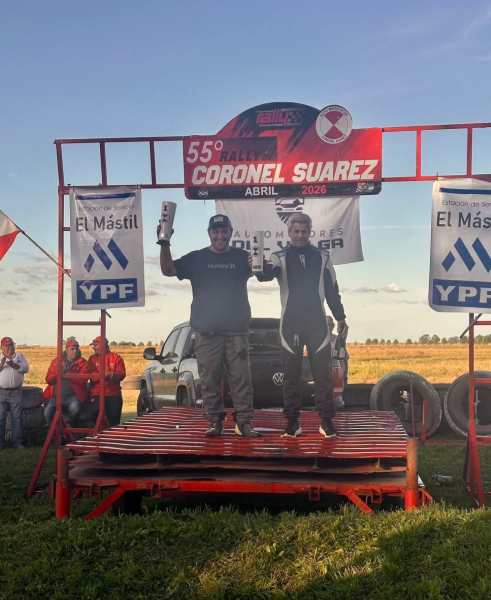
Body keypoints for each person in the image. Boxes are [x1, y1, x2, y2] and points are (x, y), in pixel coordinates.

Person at [159, 214, 260, 438]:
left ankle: (244, 423)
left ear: (230, 233)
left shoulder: (243, 257)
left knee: (242, 380)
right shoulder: (196, 258)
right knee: (209, 380)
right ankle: (215, 422)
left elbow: (263, 274)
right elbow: (168, 270)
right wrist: (164, 242)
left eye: (224, 231)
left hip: (237, 332)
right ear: (209, 233)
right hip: (206, 332)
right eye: (216, 231)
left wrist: (258, 263)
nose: (220, 235)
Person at [257, 213, 348, 438]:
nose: (300, 235)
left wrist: (340, 317)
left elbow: (332, 290)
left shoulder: (323, 256)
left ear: (310, 232)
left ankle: (326, 422)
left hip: (317, 323)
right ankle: (292, 423)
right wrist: (259, 267)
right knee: (291, 375)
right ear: (289, 232)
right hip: (291, 325)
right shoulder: (279, 257)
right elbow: (266, 275)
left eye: (304, 231)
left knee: (322, 375)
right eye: (296, 231)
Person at [43, 338, 89, 427]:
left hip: (73, 396)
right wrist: (57, 373)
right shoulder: (57, 361)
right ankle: (57, 432)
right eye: (72, 349)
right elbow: (48, 380)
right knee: (47, 414)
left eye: (76, 349)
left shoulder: (83, 363)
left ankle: (72, 429)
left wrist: (68, 373)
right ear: (66, 350)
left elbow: (83, 381)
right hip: (56, 396)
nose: (75, 351)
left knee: (75, 410)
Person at [87, 336, 126, 428]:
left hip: (113, 393)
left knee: (114, 422)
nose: (94, 347)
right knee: (96, 421)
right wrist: (101, 375)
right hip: (97, 393)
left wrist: (113, 375)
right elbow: (90, 374)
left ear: (103, 345)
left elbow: (121, 374)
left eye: (96, 345)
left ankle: (112, 435)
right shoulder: (92, 359)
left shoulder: (116, 358)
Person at [0, 336, 29, 450]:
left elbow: (26, 369)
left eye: (11, 345)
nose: (10, 348)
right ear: (2, 348)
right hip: (1, 391)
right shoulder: (0, 358)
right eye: (7, 346)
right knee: (0, 417)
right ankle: (1, 443)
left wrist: (14, 365)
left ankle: (18, 443)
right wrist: (1, 365)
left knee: (17, 417)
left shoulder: (19, 356)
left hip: (16, 391)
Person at [327, 315, 350, 386]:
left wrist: (345, 377)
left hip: (338, 376)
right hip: (323, 377)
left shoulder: (338, 340)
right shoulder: (316, 342)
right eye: (325, 325)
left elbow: (345, 360)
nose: (327, 327)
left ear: (333, 326)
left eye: (329, 325)